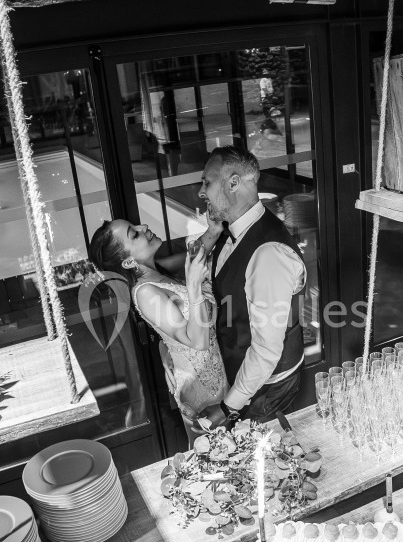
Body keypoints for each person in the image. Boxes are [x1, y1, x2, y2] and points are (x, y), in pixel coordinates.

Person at [197, 146, 306, 427]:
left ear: (233, 183)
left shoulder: (269, 253)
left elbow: (266, 349)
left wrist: (228, 407)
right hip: (242, 375)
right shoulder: (229, 229)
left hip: (266, 391)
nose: (201, 192)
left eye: (207, 183)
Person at [88, 219, 227, 434]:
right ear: (128, 262)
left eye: (136, 226)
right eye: (134, 234)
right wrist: (193, 286)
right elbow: (198, 342)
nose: (143, 227)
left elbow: (195, 255)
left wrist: (214, 230)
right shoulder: (145, 293)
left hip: (218, 374)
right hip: (202, 389)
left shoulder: (158, 270)